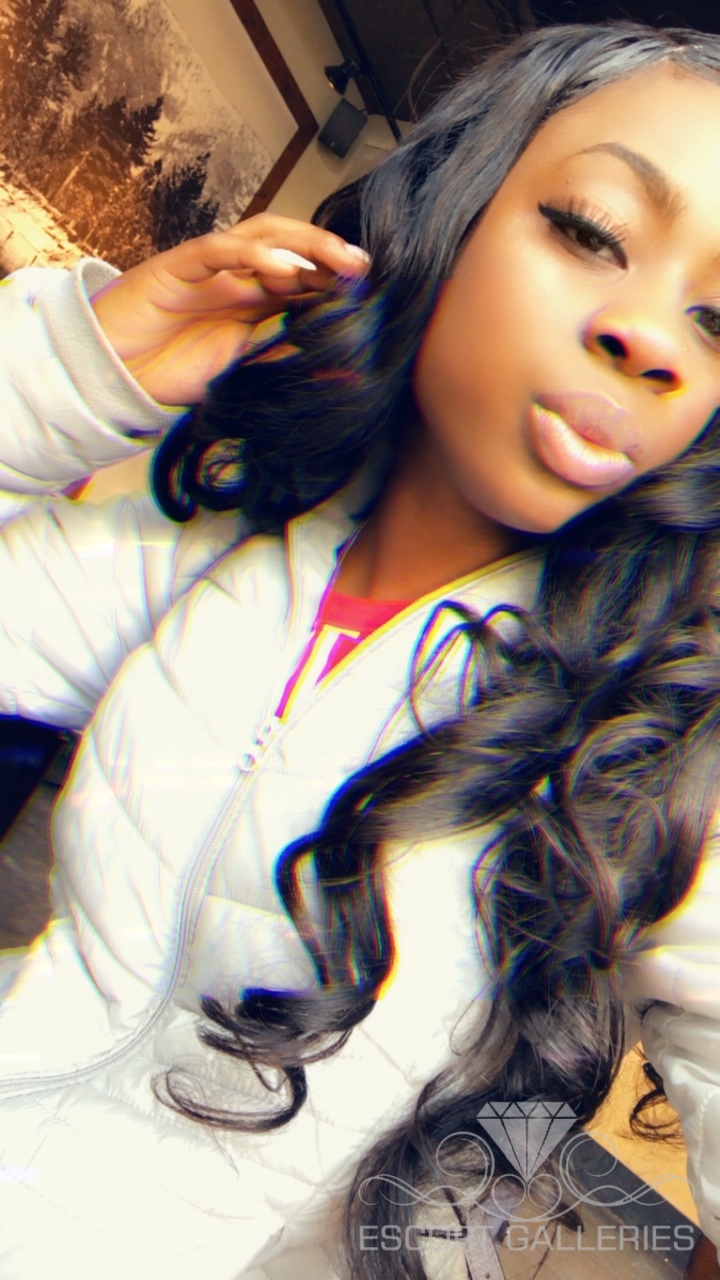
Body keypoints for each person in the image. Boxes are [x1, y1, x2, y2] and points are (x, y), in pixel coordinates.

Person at [2, 18, 720, 1280]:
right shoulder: (214, 552)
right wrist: (71, 370)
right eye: (591, 230)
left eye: (716, 323)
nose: (653, 341)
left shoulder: (651, 756)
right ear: (453, 208)